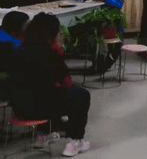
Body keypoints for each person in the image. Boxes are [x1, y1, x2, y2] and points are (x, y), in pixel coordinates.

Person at [8, 13, 91, 156]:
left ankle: (42, 136)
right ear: (52, 34)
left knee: (42, 93)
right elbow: (67, 83)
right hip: (42, 109)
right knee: (81, 95)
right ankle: (74, 140)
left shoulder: (17, 50)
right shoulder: (51, 54)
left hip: (19, 109)